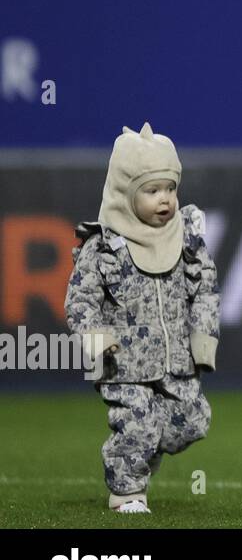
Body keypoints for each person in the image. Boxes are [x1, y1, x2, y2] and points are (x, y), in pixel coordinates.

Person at [64, 123, 221, 513]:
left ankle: (140, 451)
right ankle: (127, 493)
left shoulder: (185, 238)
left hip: (177, 361)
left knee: (193, 420)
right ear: (125, 192)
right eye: (151, 191)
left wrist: (203, 338)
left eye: (169, 188)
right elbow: (79, 299)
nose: (164, 199)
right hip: (125, 364)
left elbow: (205, 288)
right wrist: (96, 338)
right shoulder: (103, 247)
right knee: (138, 422)